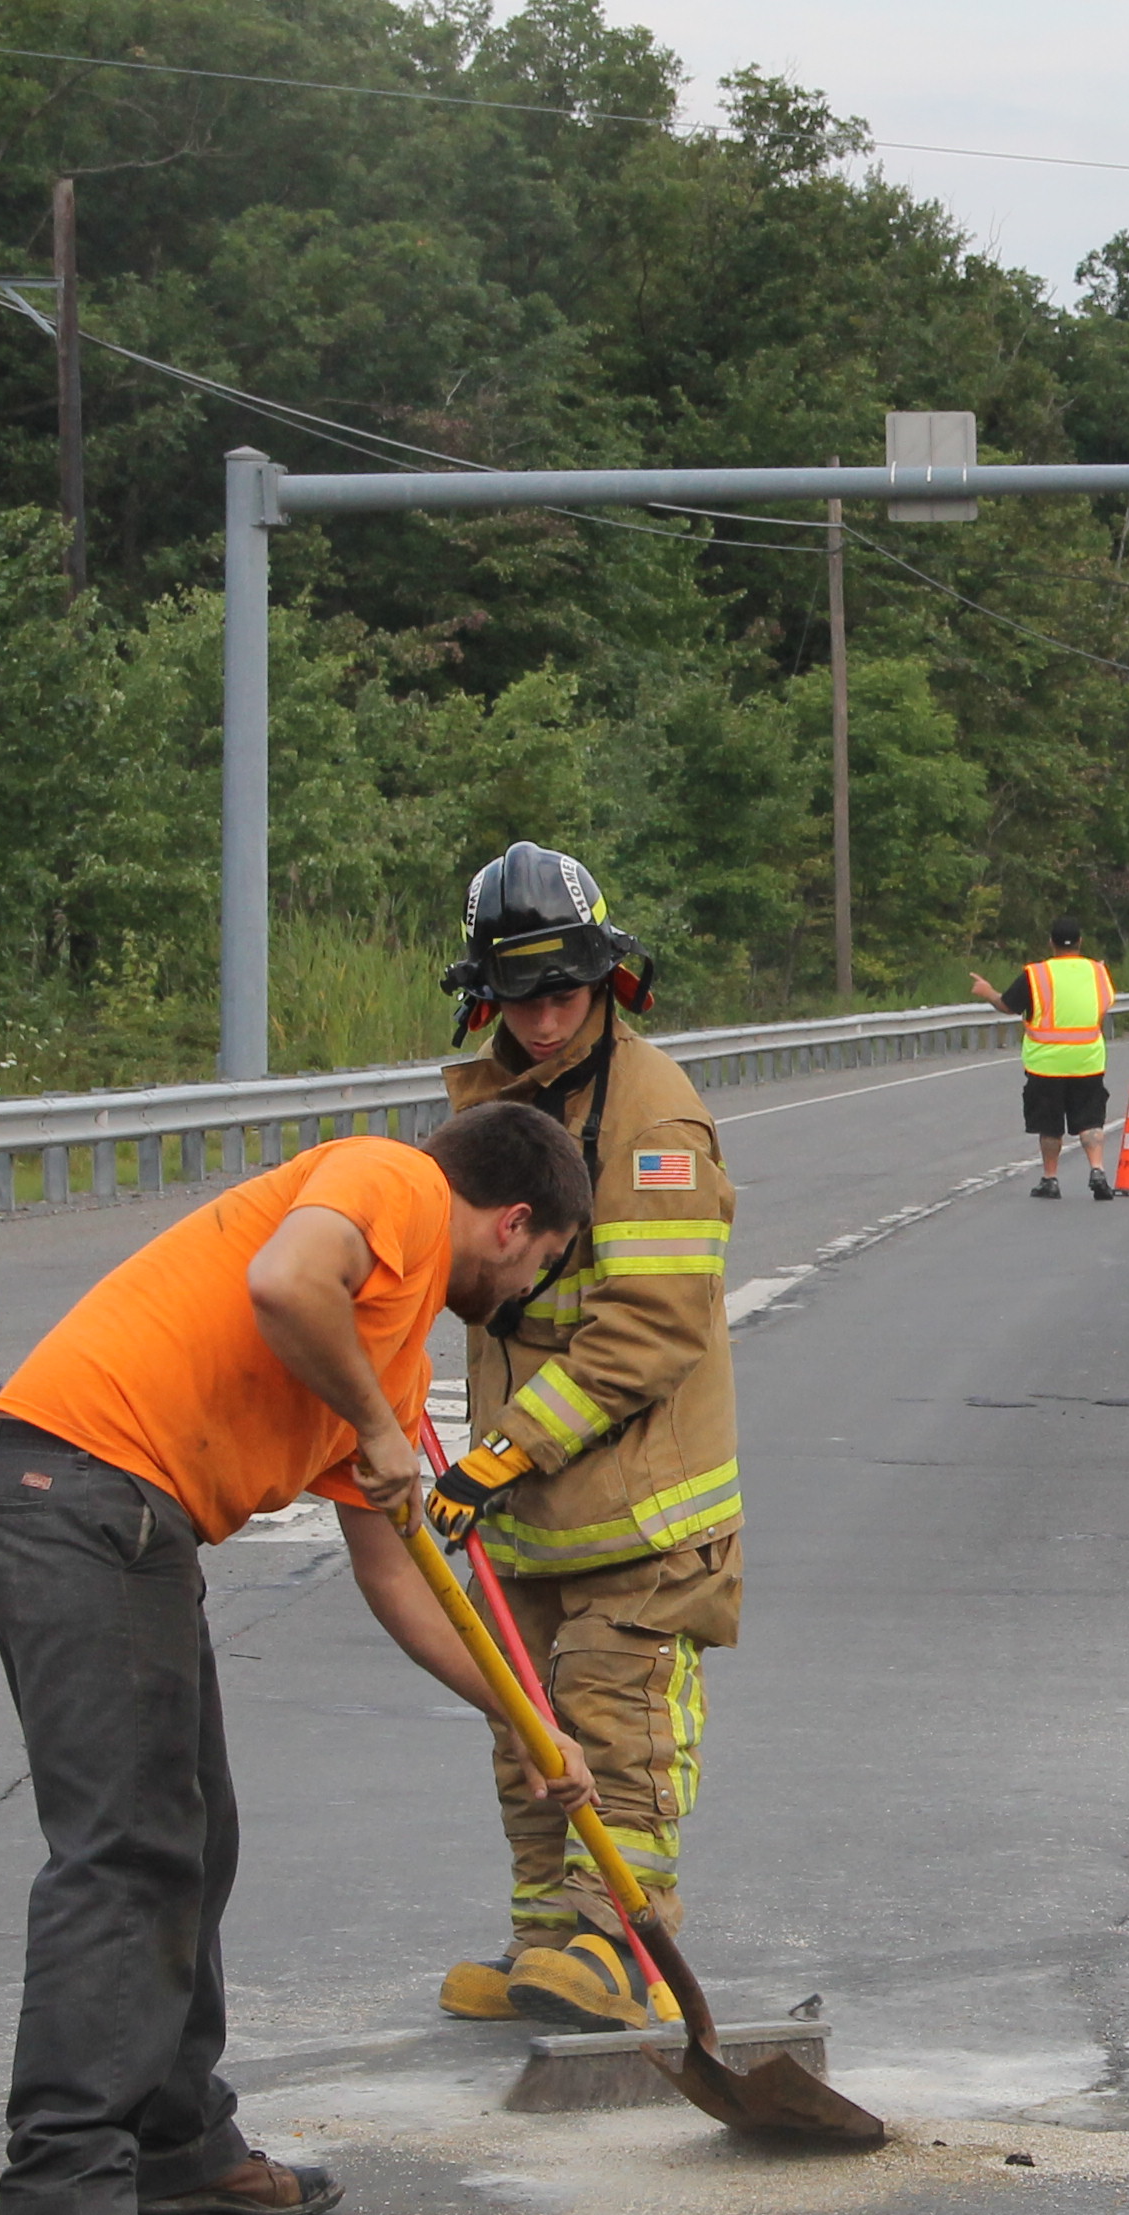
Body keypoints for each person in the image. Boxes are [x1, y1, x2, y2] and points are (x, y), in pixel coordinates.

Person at [0, 1102, 598, 2215]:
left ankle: (175, 2144)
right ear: (515, 1222)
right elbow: (282, 1280)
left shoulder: (386, 1351)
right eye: (544, 1262)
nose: (526, 1290)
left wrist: (523, 1717)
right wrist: (377, 1427)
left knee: (195, 1837)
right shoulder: (395, 1183)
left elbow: (398, 1579)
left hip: (122, 1517)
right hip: (72, 1490)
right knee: (127, 1849)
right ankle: (60, 2200)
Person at [426, 842, 745, 2032]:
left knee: (618, 1733)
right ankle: (544, 1943)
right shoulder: (498, 1108)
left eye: (565, 990)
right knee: (527, 1741)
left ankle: (623, 1945)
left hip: (641, 1516)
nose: (547, 1016)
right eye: (521, 995)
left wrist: (504, 1452)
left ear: (608, 977)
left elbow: (652, 1325)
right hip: (527, 1520)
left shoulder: (653, 1114)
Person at [974, 920, 1122, 1200]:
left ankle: (1050, 1179)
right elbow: (1102, 1008)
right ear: (1080, 941)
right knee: (1091, 1120)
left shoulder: (1037, 974)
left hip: (1045, 1063)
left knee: (1050, 1125)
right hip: (1087, 1060)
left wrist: (987, 991)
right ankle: (1097, 1170)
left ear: (1050, 942)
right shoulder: (1097, 972)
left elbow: (1008, 1005)